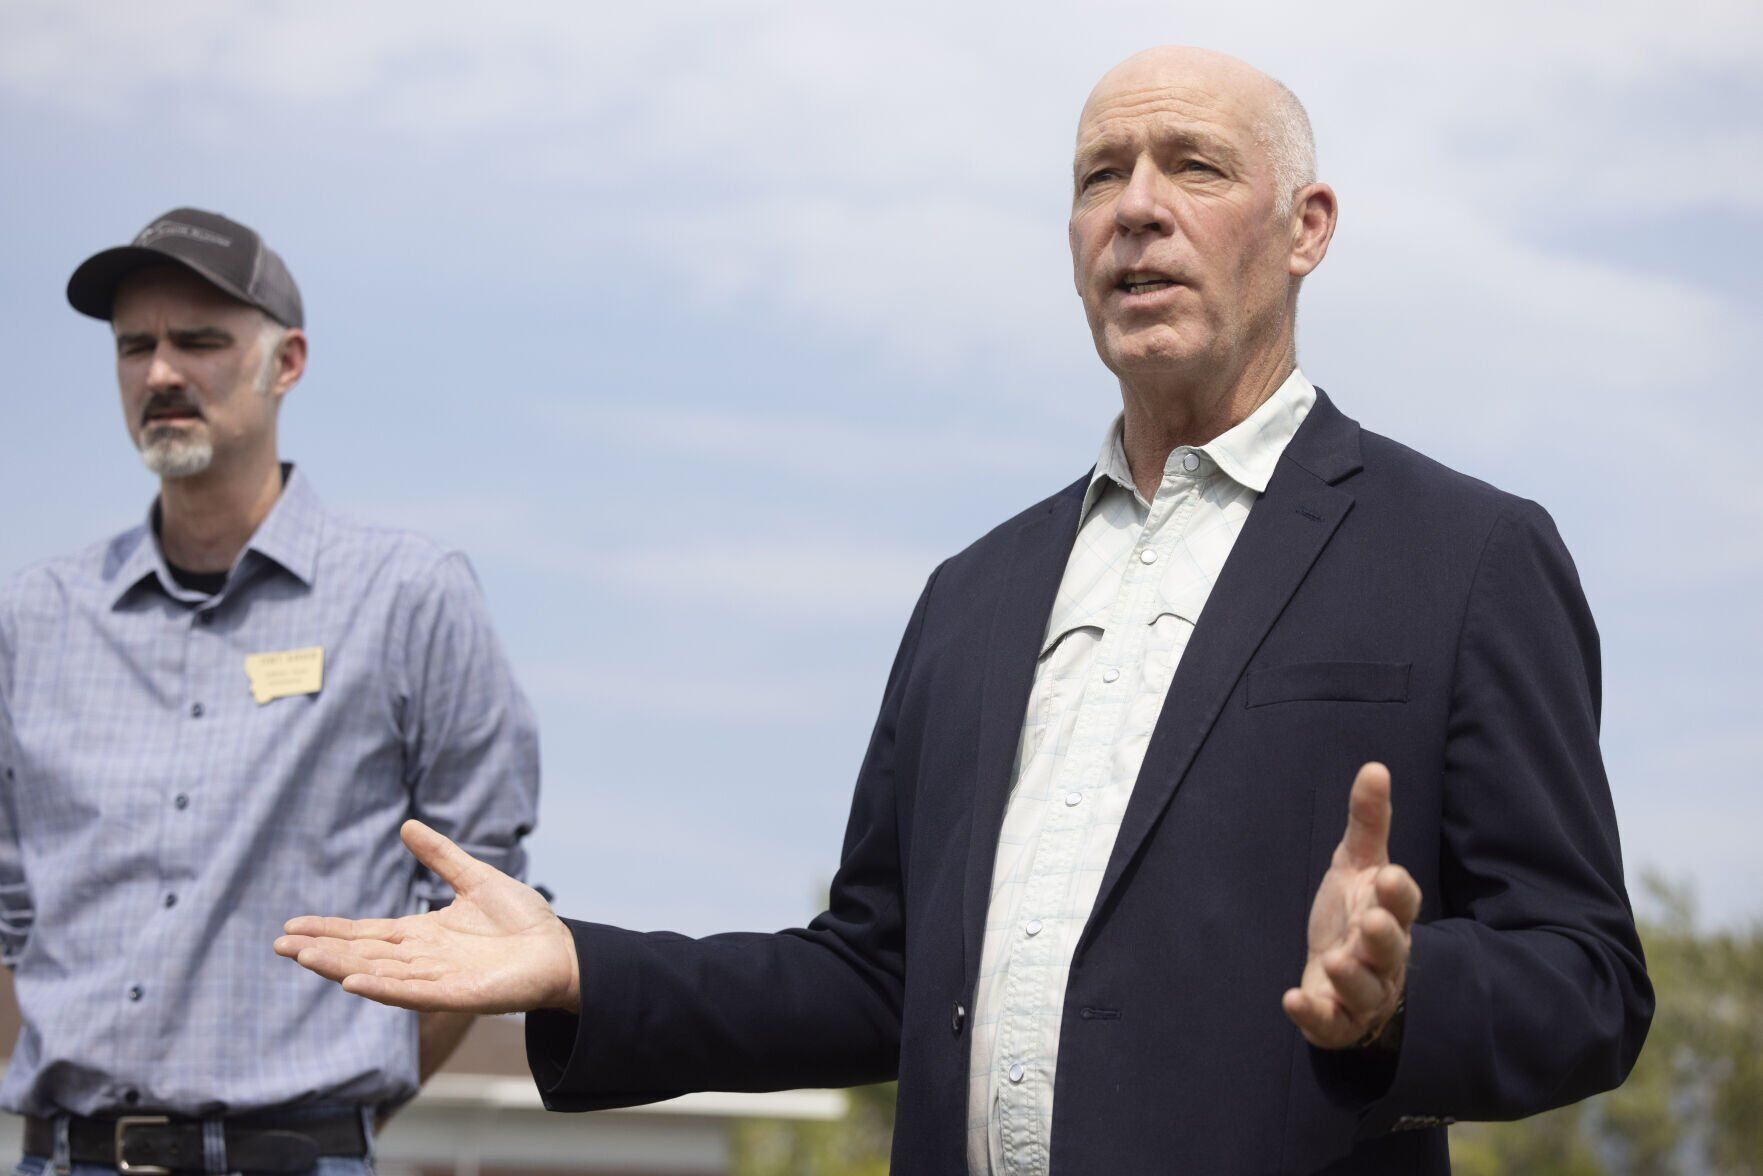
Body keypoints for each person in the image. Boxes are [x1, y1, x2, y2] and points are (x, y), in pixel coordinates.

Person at [276, 47, 1652, 1174]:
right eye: (1096, 176)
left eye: (1192, 167)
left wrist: (1401, 1000)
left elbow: (1585, 980)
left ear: (1305, 230)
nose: (1135, 206)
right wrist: (580, 968)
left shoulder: (1462, 554)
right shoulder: (973, 596)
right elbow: (876, 973)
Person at [0, 208, 541, 1174]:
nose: (161, 374)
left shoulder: (407, 598)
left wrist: (321, 1119)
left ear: (285, 362)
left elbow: (475, 901)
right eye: (136, 347)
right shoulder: (36, 617)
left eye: (199, 342)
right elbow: (8, 916)